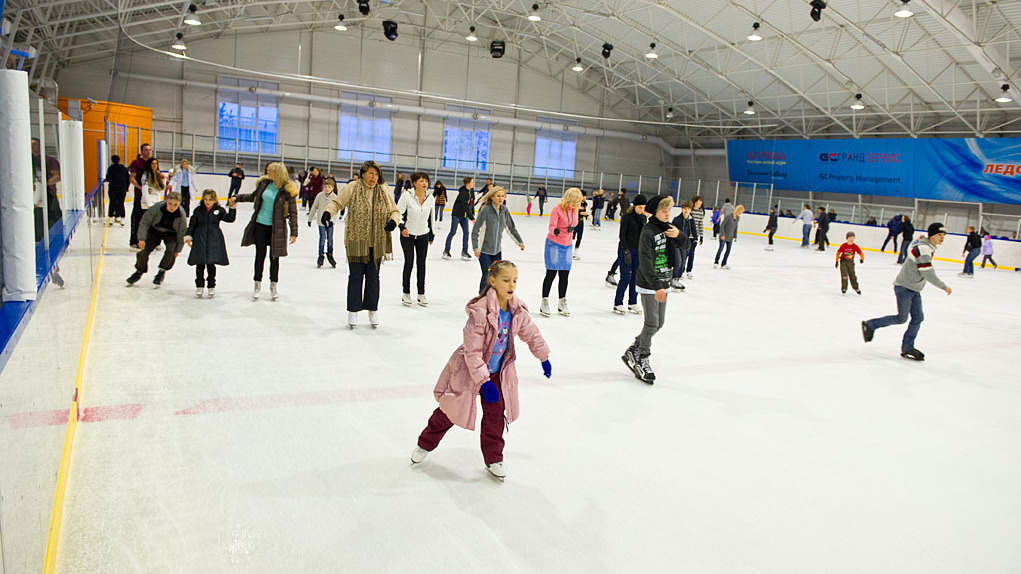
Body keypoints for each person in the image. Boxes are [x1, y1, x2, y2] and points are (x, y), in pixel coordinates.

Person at [409, 260, 552, 481]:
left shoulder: (516, 310)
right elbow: (472, 351)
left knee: (495, 416)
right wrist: (483, 381)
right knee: (450, 411)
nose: (511, 284)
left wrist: (543, 356)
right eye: (506, 280)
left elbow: (531, 332)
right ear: (493, 281)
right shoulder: (480, 312)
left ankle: (494, 457)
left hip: (497, 373)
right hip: (469, 371)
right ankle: (424, 444)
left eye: (514, 280)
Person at [321, 160, 399, 328]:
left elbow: (394, 210)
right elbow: (337, 202)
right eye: (370, 173)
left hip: (376, 242)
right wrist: (328, 212)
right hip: (356, 241)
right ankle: (353, 311)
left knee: (373, 278)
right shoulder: (353, 187)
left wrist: (393, 221)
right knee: (355, 277)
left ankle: (372, 310)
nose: (373, 177)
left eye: (376, 174)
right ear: (363, 173)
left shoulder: (383, 190)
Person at [863, 223, 952, 361]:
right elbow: (927, 272)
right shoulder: (923, 248)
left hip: (913, 288)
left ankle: (908, 348)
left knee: (918, 317)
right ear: (932, 235)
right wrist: (943, 286)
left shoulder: (927, 247)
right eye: (939, 235)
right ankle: (871, 325)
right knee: (901, 318)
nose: (942, 238)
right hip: (904, 287)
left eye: (944, 235)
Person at [622, 195, 679, 384]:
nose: (667, 214)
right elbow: (645, 263)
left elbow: (685, 244)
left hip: (664, 282)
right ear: (655, 212)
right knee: (652, 323)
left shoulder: (669, 229)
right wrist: (656, 286)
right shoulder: (648, 232)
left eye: (669, 211)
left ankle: (634, 348)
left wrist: (678, 235)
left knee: (659, 323)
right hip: (649, 285)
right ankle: (642, 359)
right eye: (664, 211)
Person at [232, 162, 299, 302]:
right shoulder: (264, 184)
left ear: (278, 173)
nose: (268, 173)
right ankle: (257, 284)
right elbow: (252, 197)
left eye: (271, 171)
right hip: (260, 225)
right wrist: (237, 198)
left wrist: (294, 232)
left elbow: (293, 212)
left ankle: (273, 286)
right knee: (260, 256)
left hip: (277, 229)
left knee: (274, 258)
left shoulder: (287, 190)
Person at [126, 191, 187, 288]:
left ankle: (162, 271)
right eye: (170, 204)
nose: (172, 207)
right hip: (155, 231)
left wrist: (178, 249)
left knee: (171, 251)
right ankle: (139, 271)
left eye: (175, 205)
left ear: (179, 204)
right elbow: (145, 221)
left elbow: (181, 232)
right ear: (166, 201)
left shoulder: (181, 214)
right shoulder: (157, 208)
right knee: (143, 251)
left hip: (171, 234)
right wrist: (141, 239)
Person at [472, 186, 525, 294]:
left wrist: (520, 242)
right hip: (484, 250)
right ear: (492, 197)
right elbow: (476, 230)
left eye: (502, 196)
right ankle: (482, 297)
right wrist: (476, 247)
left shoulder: (504, 210)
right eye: (498, 196)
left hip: (497, 251)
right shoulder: (485, 210)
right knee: (487, 275)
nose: (501, 198)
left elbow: (511, 228)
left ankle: (493, 298)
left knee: (496, 276)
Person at [184, 189, 236, 298]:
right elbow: (192, 225)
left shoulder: (219, 210)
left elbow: (230, 219)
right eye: (206, 199)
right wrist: (189, 236)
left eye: (210, 200)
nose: (207, 202)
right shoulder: (198, 210)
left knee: (211, 264)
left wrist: (232, 208)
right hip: (200, 238)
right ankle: (199, 285)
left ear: (214, 200)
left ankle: (211, 285)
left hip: (214, 238)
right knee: (200, 263)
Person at [540, 188, 582, 317]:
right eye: (573, 202)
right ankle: (544, 301)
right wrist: (556, 231)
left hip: (567, 245)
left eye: (577, 202)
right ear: (567, 199)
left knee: (564, 274)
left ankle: (562, 302)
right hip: (554, 244)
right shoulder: (557, 209)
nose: (575, 205)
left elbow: (574, 223)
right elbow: (551, 226)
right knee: (551, 272)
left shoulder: (575, 210)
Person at [397, 172, 436, 307]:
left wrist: (432, 234)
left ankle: (421, 293)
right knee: (409, 263)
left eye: (426, 181)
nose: (424, 183)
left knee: (421, 264)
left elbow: (431, 217)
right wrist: (402, 227)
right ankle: (406, 292)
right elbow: (398, 213)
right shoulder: (407, 196)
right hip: (408, 234)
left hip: (423, 235)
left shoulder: (430, 198)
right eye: (421, 181)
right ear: (414, 183)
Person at [612, 195, 647, 314]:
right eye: (639, 207)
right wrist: (625, 250)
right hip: (625, 250)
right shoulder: (627, 217)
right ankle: (618, 303)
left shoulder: (643, 218)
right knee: (626, 277)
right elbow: (622, 235)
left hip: (638, 251)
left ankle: (632, 302)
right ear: (634, 206)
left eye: (643, 207)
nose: (641, 209)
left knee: (636, 278)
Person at [31, 137, 62, 235]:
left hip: (49, 195)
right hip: (34, 197)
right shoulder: (27, 161)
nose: (32, 146)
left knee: (53, 220)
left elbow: (57, 176)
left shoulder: (49, 160)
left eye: (34, 144)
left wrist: (41, 184)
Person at [308, 177, 339, 269]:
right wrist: (310, 219)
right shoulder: (319, 195)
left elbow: (336, 210)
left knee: (330, 239)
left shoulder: (335, 197)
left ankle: (330, 254)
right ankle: (320, 255)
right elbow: (314, 207)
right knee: (322, 238)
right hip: (321, 222)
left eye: (329, 187)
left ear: (332, 188)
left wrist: (332, 221)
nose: (327, 188)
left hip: (330, 222)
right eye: (325, 187)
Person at [442, 176, 475, 260]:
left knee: (466, 233)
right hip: (457, 215)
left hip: (464, 216)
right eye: (472, 182)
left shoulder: (471, 191)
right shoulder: (463, 193)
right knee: (453, 232)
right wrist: (471, 217)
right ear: (467, 183)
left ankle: (464, 252)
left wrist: (472, 213)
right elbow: (465, 206)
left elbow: (471, 203)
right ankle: (446, 250)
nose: (473, 183)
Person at [128, 144, 153, 250]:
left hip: (151, 197)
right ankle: (134, 240)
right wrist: (140, 187)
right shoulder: (136, 163)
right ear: (141, 151)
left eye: (150, 150)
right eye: (146, 150)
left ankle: (149, 241)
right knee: (137, 218)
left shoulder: (153, 163)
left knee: (151, 219)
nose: (148, 152)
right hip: (139, 195)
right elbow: (132, 178)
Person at [670, 201, 696, 292]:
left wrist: (696, 239)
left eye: (688, 209)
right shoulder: (677, 219)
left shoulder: (690, 220)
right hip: (677, 244)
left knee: (683, 262)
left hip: (685, 244)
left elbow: (694, 229)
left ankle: (678, 278)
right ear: (682, 209)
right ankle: (674, 279)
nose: (686, 210)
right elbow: (672, 229)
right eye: (685, 209)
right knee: (678, 261)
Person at [104, 154, 130, 226]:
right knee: (121, 203)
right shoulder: (124, 168)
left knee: (112, 203)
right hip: (122, 188)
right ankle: (122, 219)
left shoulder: (111, 168)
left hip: (113, 188)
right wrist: (127, 187)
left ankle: (111, 219)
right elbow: (128, 179)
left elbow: (108, 178)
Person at [685, 195, 705, 278]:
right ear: (694, 202)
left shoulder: (700, 212)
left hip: (695, 236)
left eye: (700, 203)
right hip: (687, 235)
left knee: (692, 254)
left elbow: (700, 224)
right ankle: (681, 269)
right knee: (685, 253)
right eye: (698, 202)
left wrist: (701, 236)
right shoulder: (690, 211)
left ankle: (689, 270)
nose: (699, 204)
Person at [572, 191, 588, 260]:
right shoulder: (575, 203)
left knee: (579, 237)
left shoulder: (585, 203)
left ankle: (575, 252)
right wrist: (581, 213)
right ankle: (568, 251)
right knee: (572, 237)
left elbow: (583, 212)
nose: (585, 197)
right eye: (584, 196)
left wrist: (586, 215)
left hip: (581, 222)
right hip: (575, 221)